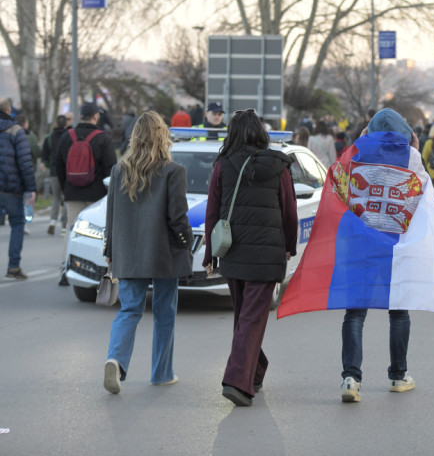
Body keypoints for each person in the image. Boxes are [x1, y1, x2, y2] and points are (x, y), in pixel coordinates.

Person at [203, 109, 297, 406]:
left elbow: (213, 212)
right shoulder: (279, 165)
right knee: (250, 319)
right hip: (267, 254)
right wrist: (289, 245)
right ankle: (238, 381)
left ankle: (253, 373)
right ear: (260, 132)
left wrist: (210, 255)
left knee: (245, 317)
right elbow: (289, 209)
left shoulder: (223, 165)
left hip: (233, 253)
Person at [102, 111, 193, 394]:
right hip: (164, 252)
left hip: (128, 252)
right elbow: (177, 217)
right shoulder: (173, 171)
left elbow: (111, 215)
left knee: (129, 310)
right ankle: (161, 373)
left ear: (135, 137)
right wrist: (186, 242)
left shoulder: (119, 170)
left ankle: (116, 360)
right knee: (165, 311)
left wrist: (110, 249)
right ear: (161, 136)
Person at [339, 108, 421, 403]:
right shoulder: (411, 157)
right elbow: (420, 193)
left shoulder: (356, 153)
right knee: (398, 310)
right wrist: (415, 149)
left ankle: (350, 378)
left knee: (355, 312)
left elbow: (340, 184)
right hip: (395, 243)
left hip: (360, 241)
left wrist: (358, 141)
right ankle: (398, 376)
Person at [53, 103, 117, 235]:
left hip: (72, 192)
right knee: (96, 232)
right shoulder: (103, 138)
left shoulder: (66, 137)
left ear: (80, 116)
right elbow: (110, 169)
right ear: (95, 116)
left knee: (72, 230)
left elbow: (58, 165)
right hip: (97, 195)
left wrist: (66, 186)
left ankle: (69, 255)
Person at [0, 98, 36, 279]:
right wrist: (31, 188)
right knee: (17, 224)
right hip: (10, 188)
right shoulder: (16, 131)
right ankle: (13, 267)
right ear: (9, 110)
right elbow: (25, 162)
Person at [41, 114, 72, 236]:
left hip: (53, 172)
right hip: (66, 171)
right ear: (66, 124)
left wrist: (48, 165)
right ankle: (64, 226)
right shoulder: (69, 137)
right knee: (65, 198)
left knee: (56, 197)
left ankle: (52, 221)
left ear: (55, 124)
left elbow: (44, 155)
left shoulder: (49, 138)